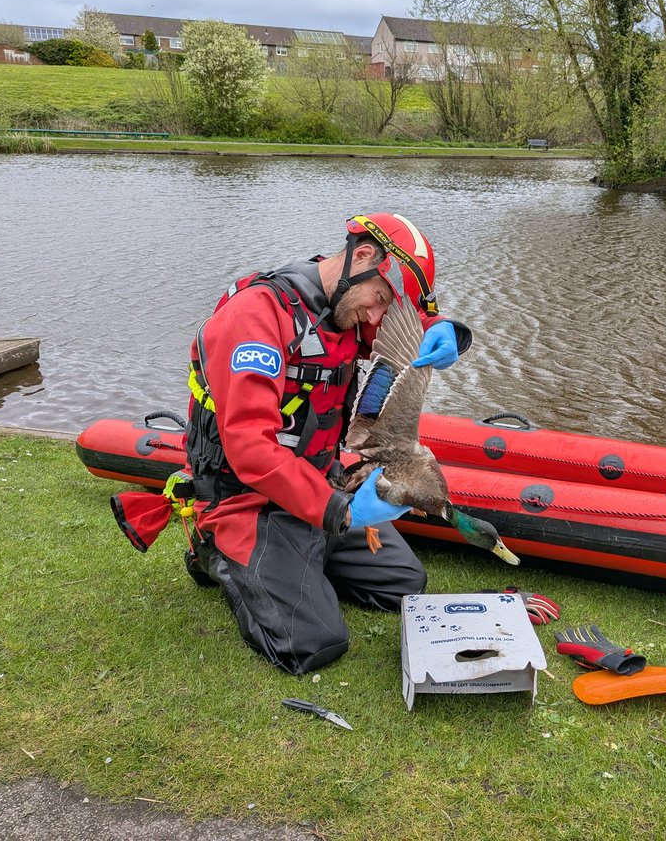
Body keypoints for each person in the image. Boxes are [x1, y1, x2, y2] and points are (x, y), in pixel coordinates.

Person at [182, 212, 472, 675]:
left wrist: (448, 330)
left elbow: (410, 324)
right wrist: (342, 511)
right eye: (379, 299)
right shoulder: (255, 317)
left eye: (386, 307)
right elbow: (250, 449)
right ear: (360, 256)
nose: (377, 318)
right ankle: (214, 551)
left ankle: (300, 558)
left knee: (404, 585)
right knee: (314, 644)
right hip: (248, 499)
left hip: (315, 487)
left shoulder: (350, 307)